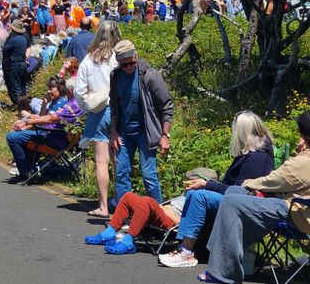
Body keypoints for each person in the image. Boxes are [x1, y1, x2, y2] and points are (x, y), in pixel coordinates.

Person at [199, 111, 310, 284]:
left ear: (303, 134)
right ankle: (220, 257)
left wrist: (247, 184)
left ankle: (223, 274)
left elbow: (273, 180)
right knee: (234, 193)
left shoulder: (303, 161)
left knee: (232, 201)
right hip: (298, 207)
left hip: (298, 214)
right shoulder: (304, 159)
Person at [156, 111, 275, 267]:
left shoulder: (258, 158)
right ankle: (189, 246)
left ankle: (187, 252)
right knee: (194, 193)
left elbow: (240, 191)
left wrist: (208, 185)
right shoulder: (250, 154)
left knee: (200, 196)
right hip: (236, 200)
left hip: (246, 205)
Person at [110, 39, 174, 203]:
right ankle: (124, 215)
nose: (129, 68)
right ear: (118, 63)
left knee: (149, 176)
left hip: (146, 133)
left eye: (131, 63)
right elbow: (114, 106)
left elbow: (167, 105)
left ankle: (157, 214)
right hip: (124, 133)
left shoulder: (149, 75)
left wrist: (165, 135)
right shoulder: (116, 76)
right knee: (121, 174)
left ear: (136, 57)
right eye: (124, 65)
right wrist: (113, 133)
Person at [74, 21, 122, 218]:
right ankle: (121, 202)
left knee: (102, 162)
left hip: (99, 112)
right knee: (119, 160)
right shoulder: (119, 57)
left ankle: (103, 206)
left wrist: (88, 106)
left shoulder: (89, 59)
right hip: (119, 112)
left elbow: (79, 91)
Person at [5, 77, 83, 183]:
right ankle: (28, 168)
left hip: (54, 138)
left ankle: (25, 172)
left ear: (68, 90)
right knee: (23, 136)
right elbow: (44, 118)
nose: (49, 91)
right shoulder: (71, 103)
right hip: (51, 134)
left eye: (51, 88)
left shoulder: (70, 105)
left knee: (12, 137)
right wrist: (43, 105)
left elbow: (50, 119)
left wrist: (27, 121)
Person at [2, 19, 29, 106]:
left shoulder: (14, 39)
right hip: (22, 63)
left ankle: (19, 105)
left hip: (14, 64)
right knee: (22, 85)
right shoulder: (24, 38)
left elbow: (4, 49)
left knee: (15, 85)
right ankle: (25, 103)